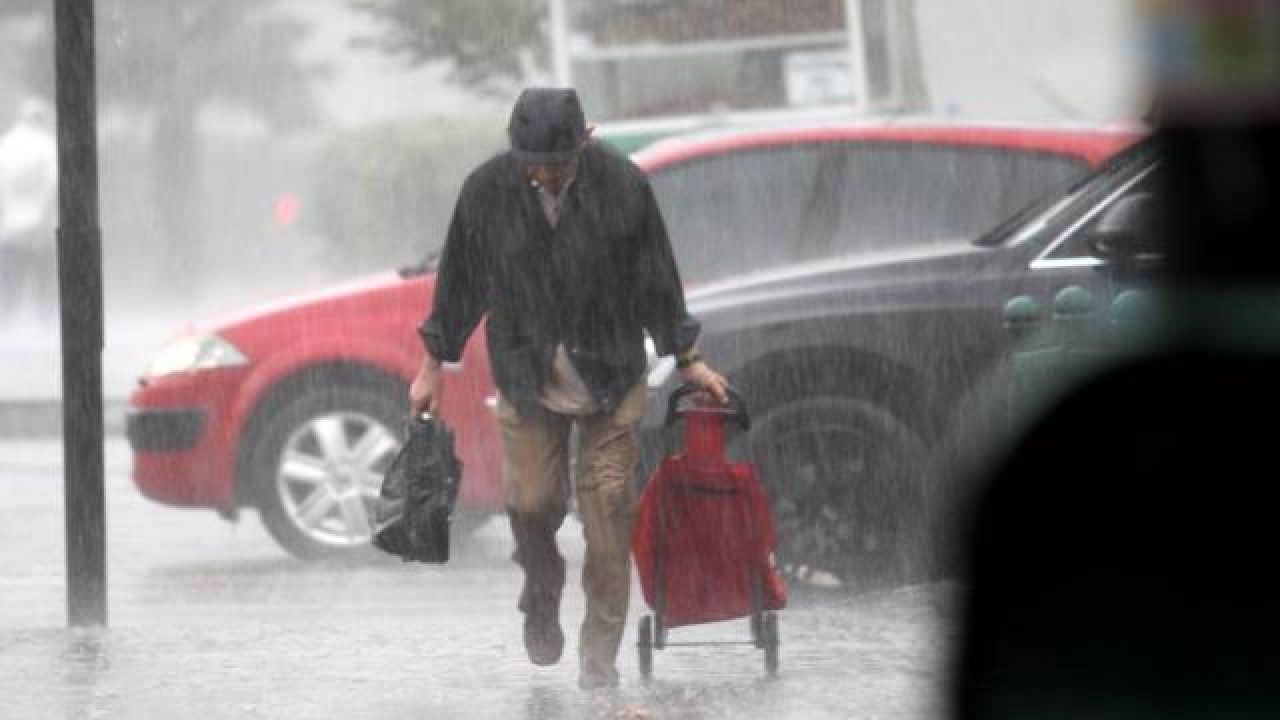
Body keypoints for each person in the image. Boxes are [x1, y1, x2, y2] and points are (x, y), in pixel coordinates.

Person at [410, 87, 728, 690]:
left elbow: (658, 278)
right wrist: (433, 364)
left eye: (559, 163)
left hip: (610, 373)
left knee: (608, 510)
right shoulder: (487, 192)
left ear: (585, 142)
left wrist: (688, 358)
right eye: (535, 164)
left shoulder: (623, 187)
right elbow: (457, 284)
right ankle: (541, 588)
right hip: (527, 377)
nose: (548, 176)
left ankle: (599, 657)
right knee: (531, 505)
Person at [0, 97, 57, 317]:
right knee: (45, 287)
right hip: (41, 226)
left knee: (11, 286)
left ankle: (8, 327)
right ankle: (47, 329)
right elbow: (53, 182)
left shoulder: (6, 144)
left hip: (11, 227)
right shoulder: (46, 144)